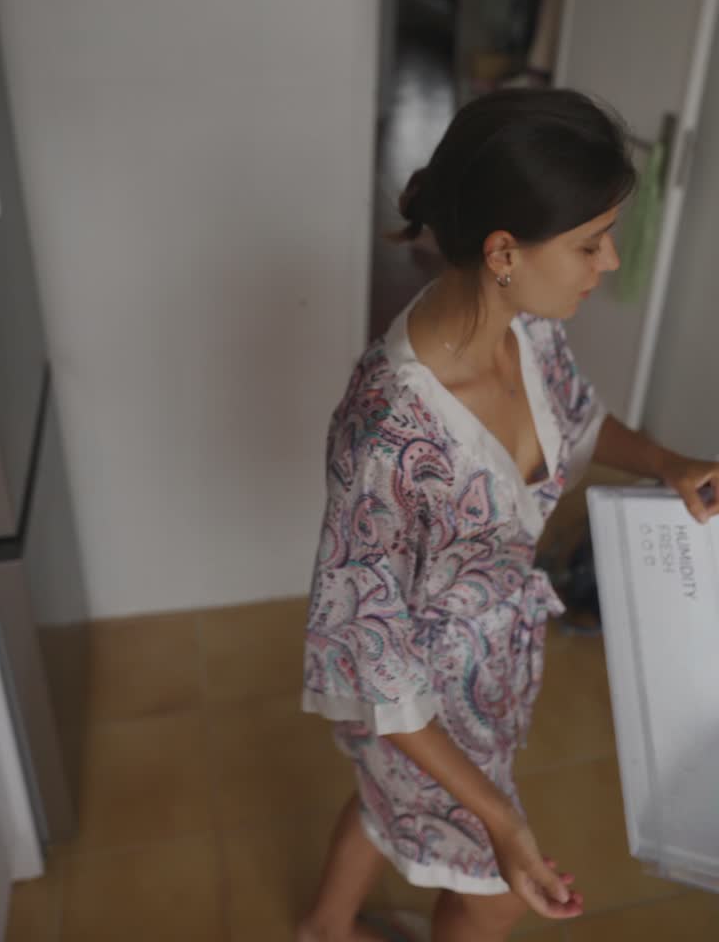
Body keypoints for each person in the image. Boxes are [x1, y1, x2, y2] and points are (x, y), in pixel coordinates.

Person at [297, 88, 719, 942]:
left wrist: (670, 462)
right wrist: (502, 821)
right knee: (490, 892)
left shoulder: (526, 330)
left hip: (488, 668)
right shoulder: (390, 432)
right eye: (590, 243)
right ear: (503, 251)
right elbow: (383, 677)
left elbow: (580, 419)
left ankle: (324, 931)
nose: (608, 263)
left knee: (385, 804)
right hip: (413, 706)